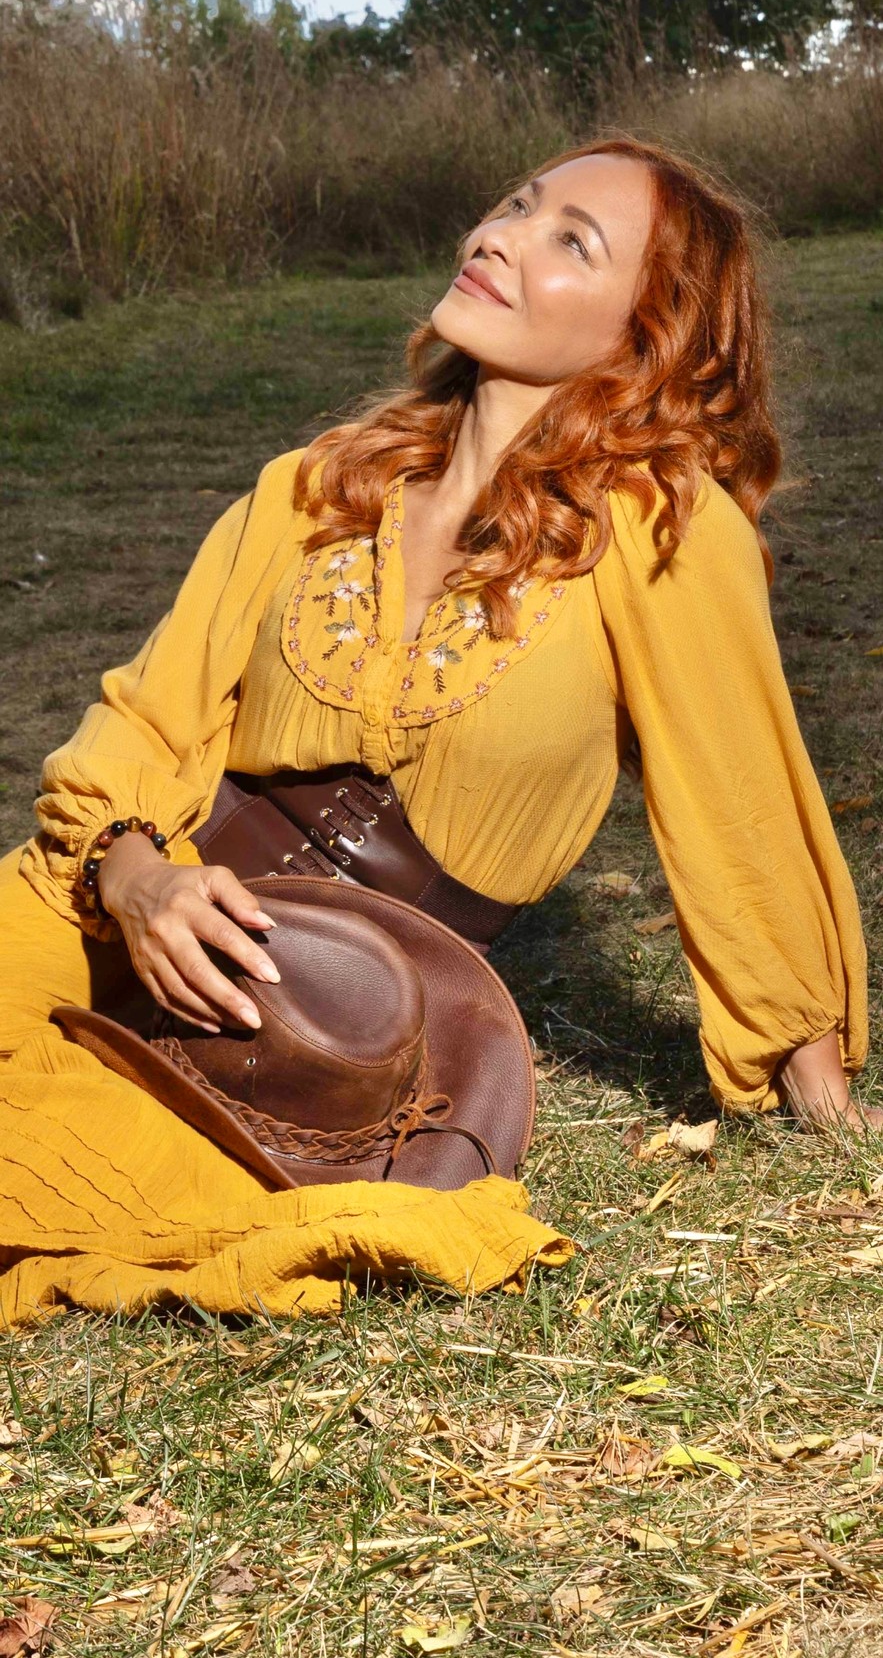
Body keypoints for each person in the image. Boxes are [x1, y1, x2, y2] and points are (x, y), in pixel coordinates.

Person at [0, 135, 875, 1325]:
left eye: (570, 240)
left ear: (644, 335)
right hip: (128, 897)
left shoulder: (657, 526)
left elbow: (742, 804)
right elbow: (148, 714)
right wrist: (137, 877)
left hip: (341, 1012)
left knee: (113, 1152)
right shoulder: (309, 487)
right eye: (515, 205)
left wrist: (816, 1083)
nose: (499, 238)